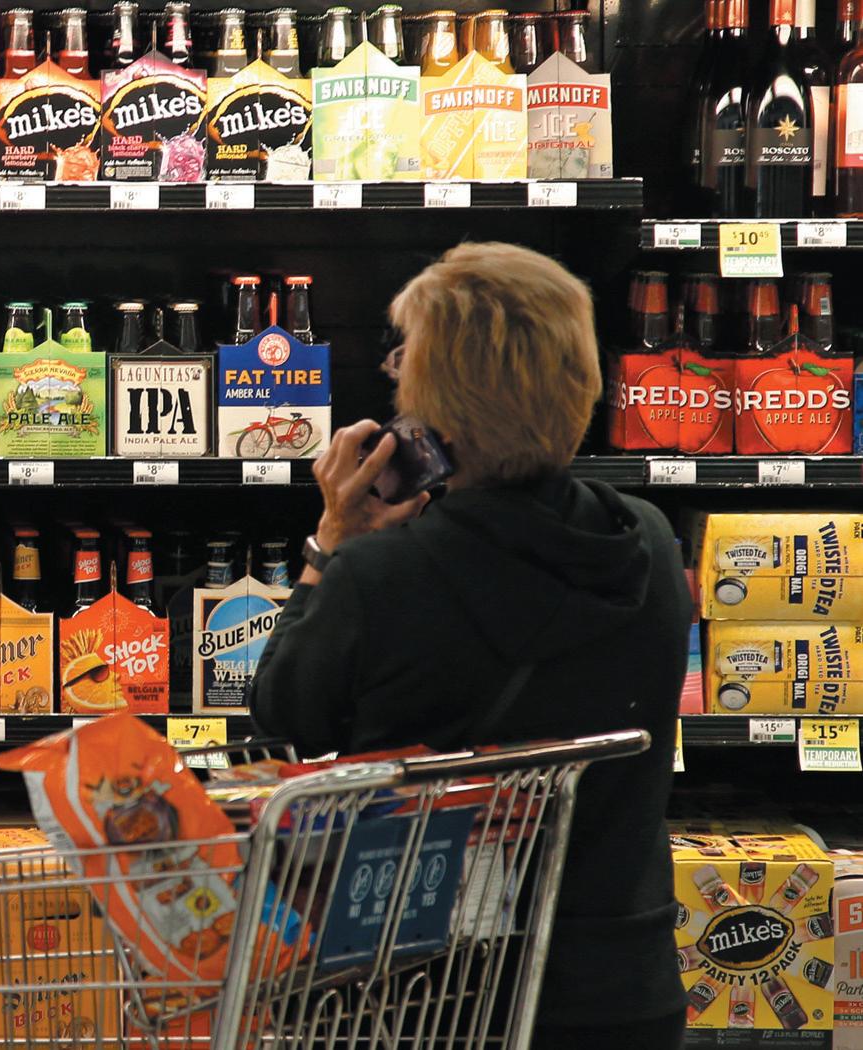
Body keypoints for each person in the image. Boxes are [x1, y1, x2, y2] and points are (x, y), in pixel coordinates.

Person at [249, 242, 690, 1049]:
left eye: (402, 365)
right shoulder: (650, 541)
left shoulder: (380, 573)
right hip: (620, 987)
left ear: (432, 412)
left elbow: (282, 718)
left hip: (430, 1000)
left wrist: (330, 541)